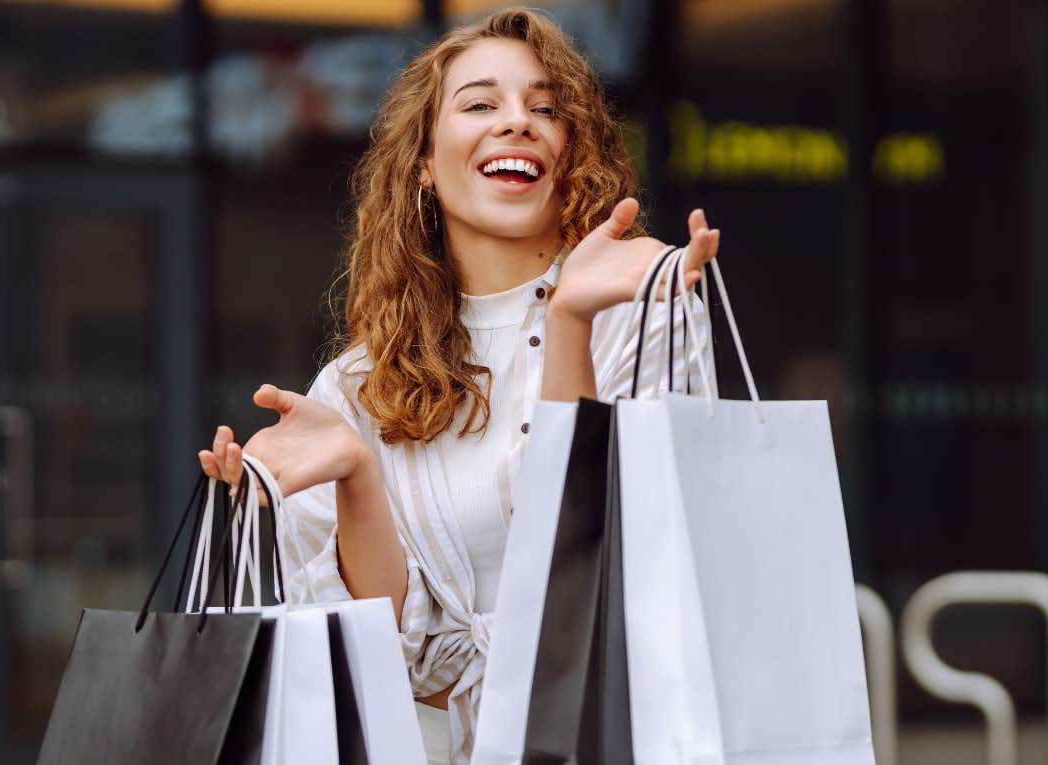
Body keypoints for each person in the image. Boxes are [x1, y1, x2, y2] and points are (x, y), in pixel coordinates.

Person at [197, 7, 722, 764]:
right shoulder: (356, 384)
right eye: (481, 104)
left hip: (621, 737)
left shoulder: (637, 310)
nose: (517, 123)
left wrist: (572, 320)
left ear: (572, 149)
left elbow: (614, 558)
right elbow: (372, 661)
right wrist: (356, 477)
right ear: (422, 161)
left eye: (545, 108)